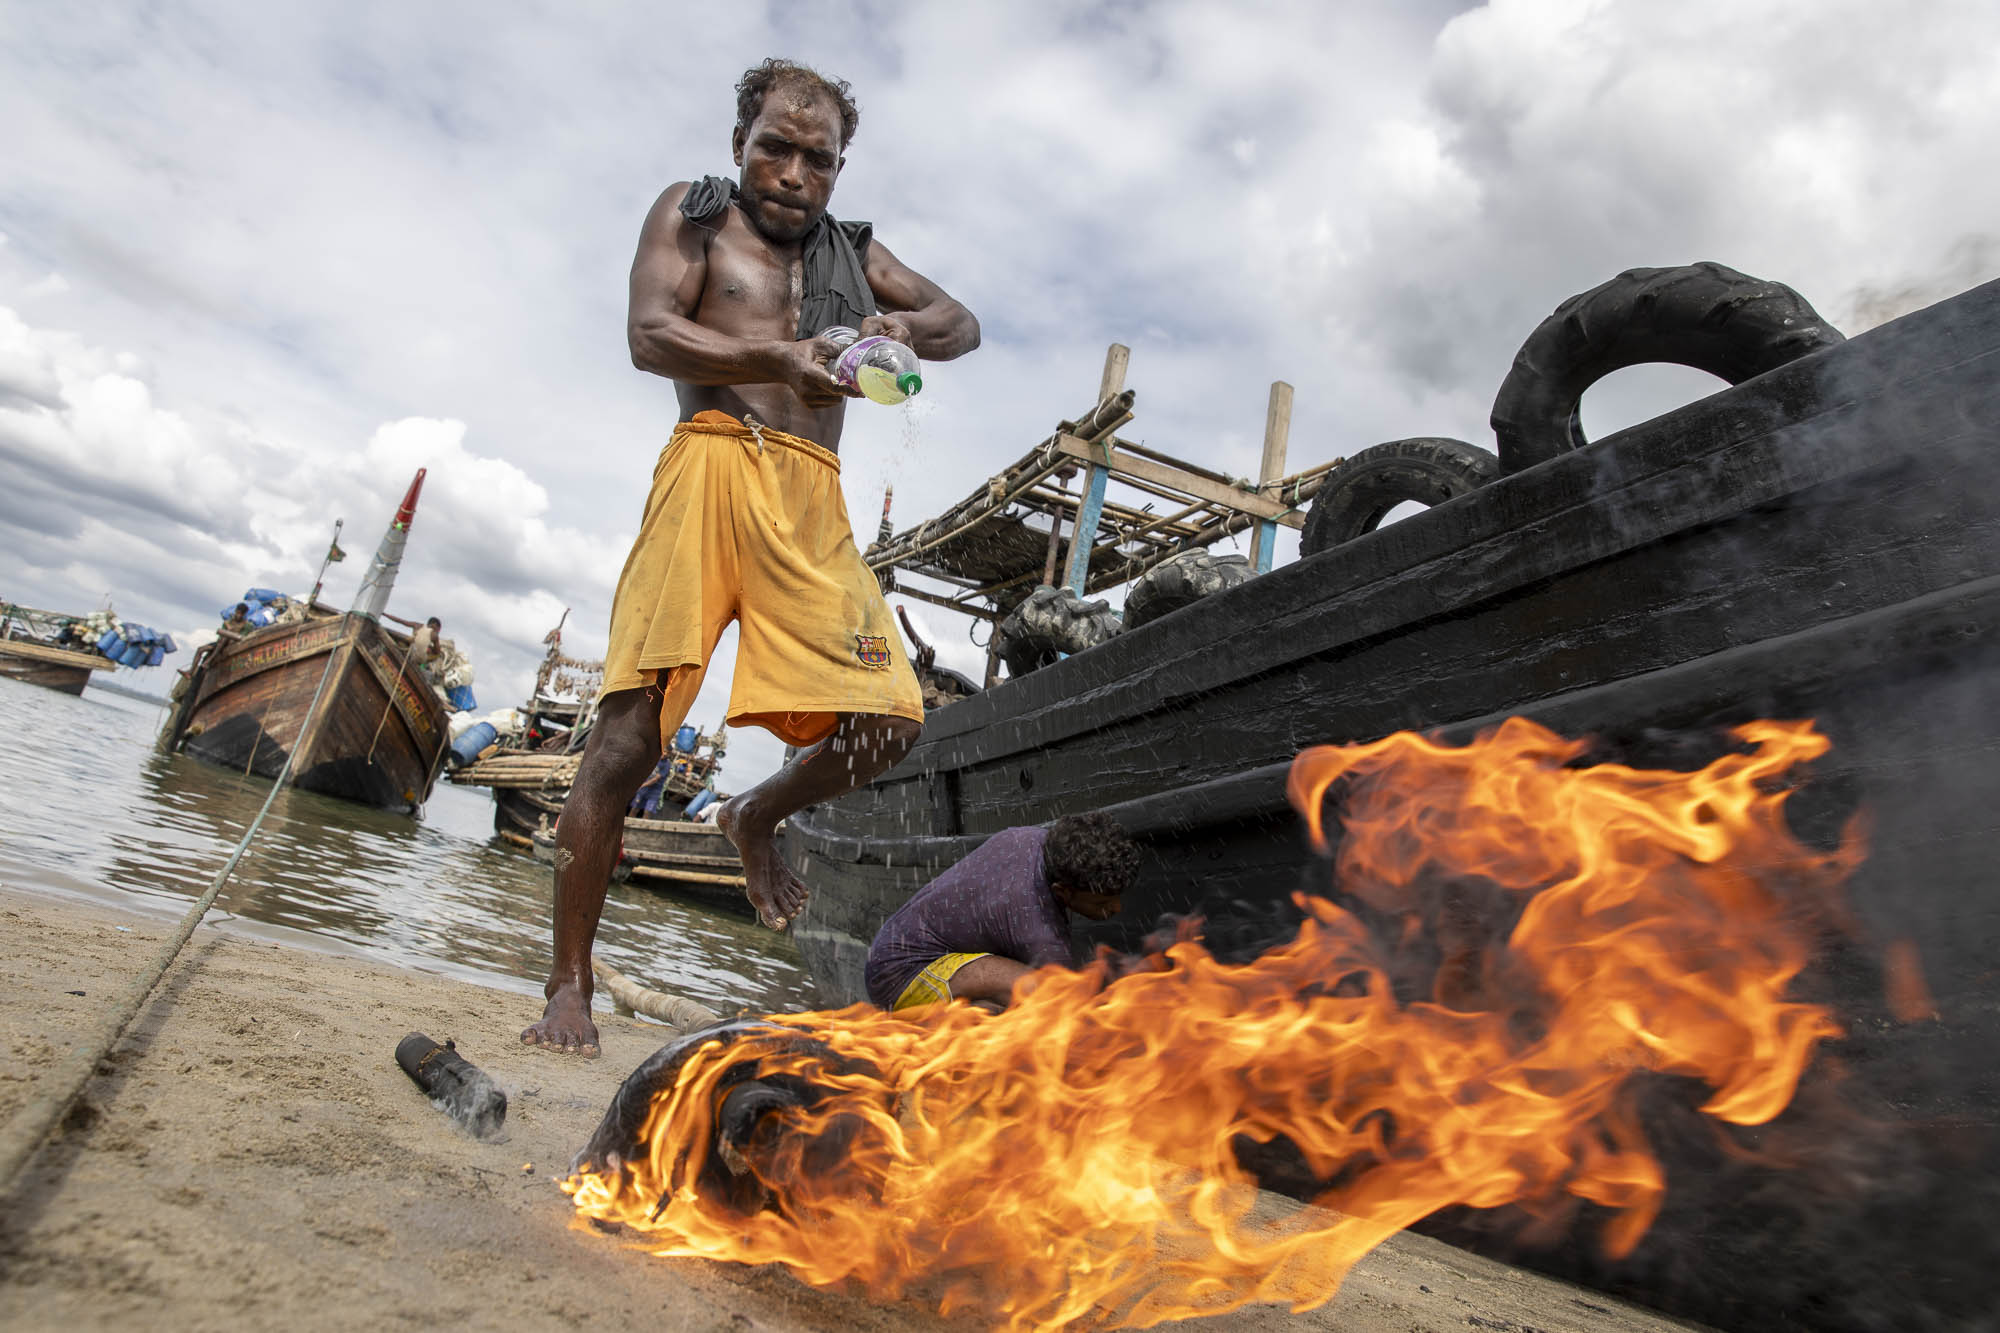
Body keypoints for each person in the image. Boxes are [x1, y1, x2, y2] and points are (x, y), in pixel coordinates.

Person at [522, 58, 979, 1056]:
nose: (791, 171)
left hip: (810, 495)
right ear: (740, 143)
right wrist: (774, 358)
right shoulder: (693, 216)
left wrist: (895, 324)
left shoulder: (852, 252)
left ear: (836, 169)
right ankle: (568, 986)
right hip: (709, 470)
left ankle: (753, 816)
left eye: (816, 158)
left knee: (890, 720)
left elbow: (962, 323)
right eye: (774, 145)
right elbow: (650, 334)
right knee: (627, 740)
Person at [864, 812, 1139, 1011]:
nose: (1117, 909)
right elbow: (1065, 1004)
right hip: (901, 974)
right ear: (1062, 891)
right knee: (1044, 996)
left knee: (1000, 1008)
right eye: (1102, 904)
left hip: (901, 946)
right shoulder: (1037, 926)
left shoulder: (1034, 840)